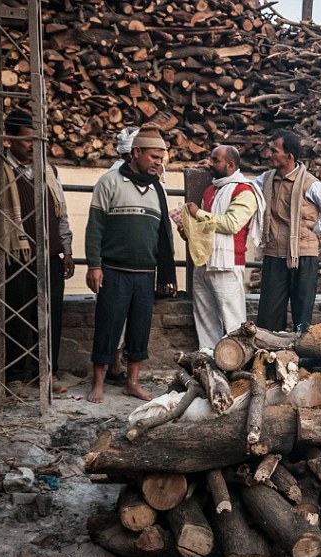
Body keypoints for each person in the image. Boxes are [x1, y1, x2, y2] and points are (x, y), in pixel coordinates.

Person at [0, 109, 74, 397]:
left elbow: (61, 212)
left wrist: (67, 249)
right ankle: (17, 375)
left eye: (38, 141)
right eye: (27, 140)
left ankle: (47, 372)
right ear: (9, 139)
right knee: (17, 316)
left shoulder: (49, 171)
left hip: (49, 255)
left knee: (51, 316)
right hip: (16, 256)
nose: (33, 146)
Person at [85, 126, 177, 403]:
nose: (158, 163)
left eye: (161, 158)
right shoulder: (109, 182)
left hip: (146, 273)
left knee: (139, 329)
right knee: (107, 325)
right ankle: (98, 382)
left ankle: (132, 383)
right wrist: (94, 265)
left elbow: (164, 233)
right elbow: (95, 227)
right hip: (114, 270)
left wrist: (165, 273)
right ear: (136, 152)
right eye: (153, 157)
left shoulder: (157, 189)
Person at [254, 129, 321, 332]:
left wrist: (316, 228)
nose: (269, 154)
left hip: (303, 255)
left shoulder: (310, 184)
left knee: (302, 315)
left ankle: (300, 351)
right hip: (274, 254)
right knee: (269, 315)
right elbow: (246, 189)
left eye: (274, 150)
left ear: (289, 157)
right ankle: (270, 349)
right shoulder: (265, 179)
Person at [173, 145, 264, 351]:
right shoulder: (211, 190)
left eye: (215, 160)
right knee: (205, 321)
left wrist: (198, 214)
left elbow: (231, 224)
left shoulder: (244, 191)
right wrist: (188, 230)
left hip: (227, 264)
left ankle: (238, 363)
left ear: (230, 165)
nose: (210, 163)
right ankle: (208, 360)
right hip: (204, 262)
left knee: (234, 322)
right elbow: (206, 228)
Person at [103, 125, 141, 387]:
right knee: (117, 314)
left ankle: (119, 364)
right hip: (119, 256)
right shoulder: (113, 177)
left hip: (135, 256)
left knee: (128, 315)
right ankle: (113, 365)